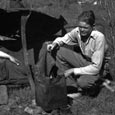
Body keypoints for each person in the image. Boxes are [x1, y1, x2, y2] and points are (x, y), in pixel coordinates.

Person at [46, 10, 108, 97]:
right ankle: (71, 86)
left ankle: (96, 84)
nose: (82, 30)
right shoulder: (77, 31)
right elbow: (65, 38)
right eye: (80, 27)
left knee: (83, 82)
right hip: (86, 61)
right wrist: (54, 44)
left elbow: (96, 68)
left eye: (85, 28)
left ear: (92, 26)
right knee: (58, 51)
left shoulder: (99, 38)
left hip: (99, 67)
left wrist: (73, 71)